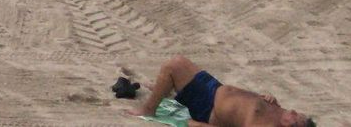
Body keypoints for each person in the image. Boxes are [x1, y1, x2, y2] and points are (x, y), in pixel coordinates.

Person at [127, 55, 313, 126]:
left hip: (208, 107)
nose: (293, 111)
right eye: (297, 113)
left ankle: (148, 109)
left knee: (173, 65)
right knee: (179, 64)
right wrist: (267, 99)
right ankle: (168, 90)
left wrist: (196, 124)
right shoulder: (281, 114)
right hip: (215, 88)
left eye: (296, 118)